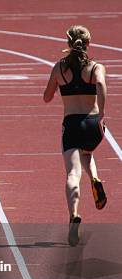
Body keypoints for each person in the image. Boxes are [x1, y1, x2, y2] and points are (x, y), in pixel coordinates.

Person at [43, 25, 107, 246]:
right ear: (88, 43)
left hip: (71, 124)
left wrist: (58, 85)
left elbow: (47, 97)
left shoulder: (59, 68)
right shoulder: (96, 67)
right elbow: (100, 84)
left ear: (68, 44)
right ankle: (95, 178)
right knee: (87, 153)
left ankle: (74, 215)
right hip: (93, 124)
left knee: (72, 173)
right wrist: (102, 112)